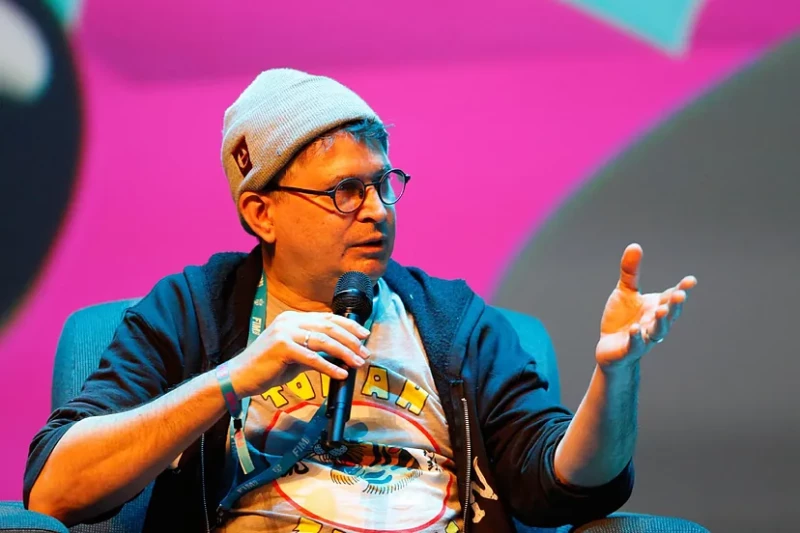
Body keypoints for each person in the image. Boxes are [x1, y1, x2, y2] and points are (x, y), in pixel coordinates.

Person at [23, 68, 697, 533]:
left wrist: (615, 377)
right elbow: (55, 489)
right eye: (346, 191)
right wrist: (234, 380)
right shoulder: (192, 313)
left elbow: (562, 483)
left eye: (384, 184)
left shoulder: (452, 322)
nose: (378, 210)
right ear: (261, 212)